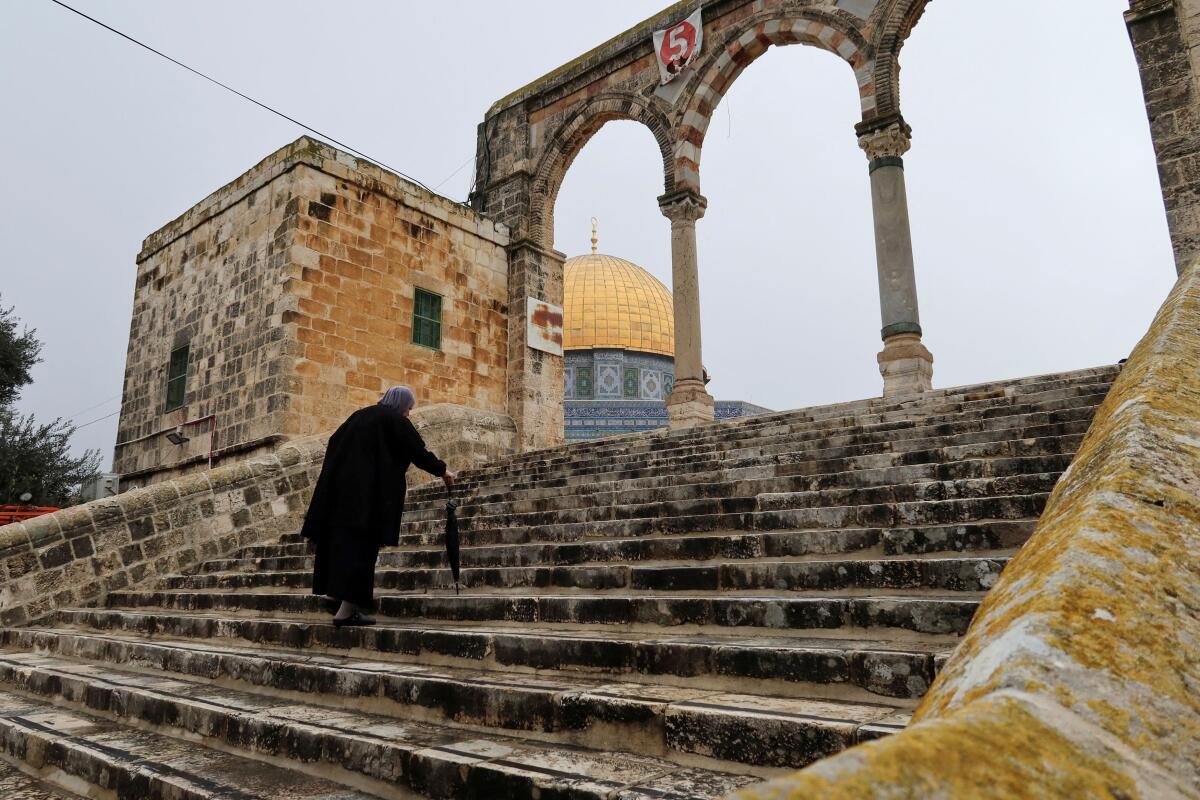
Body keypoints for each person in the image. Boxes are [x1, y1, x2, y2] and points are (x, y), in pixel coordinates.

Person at [300, 386, 455, 627]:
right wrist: (442, 470)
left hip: (338, 498)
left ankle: (334, 596)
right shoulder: (394, 421)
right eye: (409, 408)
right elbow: (418, 452)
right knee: (362, 550)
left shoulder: (359, 416)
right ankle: (346, 612)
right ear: (401, 405)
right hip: (366, 501)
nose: (409, 413)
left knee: (340, 546)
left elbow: (333, 443)